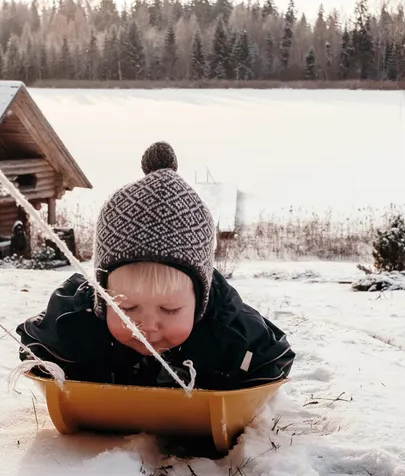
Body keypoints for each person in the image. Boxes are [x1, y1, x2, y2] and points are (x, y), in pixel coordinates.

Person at [16, 142, 294, 391]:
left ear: (200, 300)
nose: (146, 326)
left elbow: (274, 360)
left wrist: (242, 396)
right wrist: (51, 370)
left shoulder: (228, 328)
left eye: (170, 309)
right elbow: (35, 344)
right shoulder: (74, 319)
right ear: (102, 296)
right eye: (126, 308)